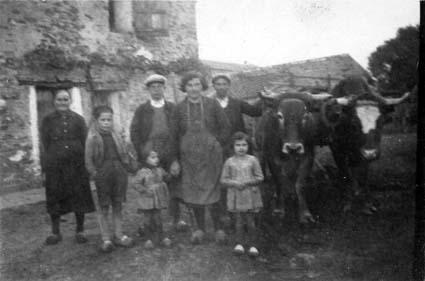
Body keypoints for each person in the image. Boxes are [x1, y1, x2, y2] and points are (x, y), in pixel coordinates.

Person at [171, 71, 231, 243]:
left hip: (212, 157)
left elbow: (225, 127)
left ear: (202, 86)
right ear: (185, 88)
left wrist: (217, 144)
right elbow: (173, 136)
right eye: (189, 85)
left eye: (197, 84)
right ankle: (200, 229)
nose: (194, 88)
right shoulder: (179, 109)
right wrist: (174, 160)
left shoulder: (212, 105)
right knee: (194, 192)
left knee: (214, 190)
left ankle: (219, 228)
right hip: (189, 159)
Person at [130, 74, 186, 232]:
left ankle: (176, 219)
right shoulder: (143, 109)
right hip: (149, 152)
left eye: (159, 87)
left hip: (169, 149)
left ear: (164, 88)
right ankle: (148, 221)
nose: (156, 90)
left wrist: (175, 157)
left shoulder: (172, 108)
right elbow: (134, 132)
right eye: (152, 87)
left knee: (173, 184)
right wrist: (142, 152)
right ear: (148, 90)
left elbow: (179, 132)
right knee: (149, 185)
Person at [40, 89, 95, 245]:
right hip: (55, 166)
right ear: (54, 102)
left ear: (70, 101)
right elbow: (45, 142)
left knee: (79, 195)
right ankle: (55, 232)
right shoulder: (47, 120)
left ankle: (80, 230)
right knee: (54, 195)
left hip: (76, 165)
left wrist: (86, 163)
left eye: (65, 99)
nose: (62, 102)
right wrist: (47, 164)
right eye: (59, 99)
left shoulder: (78, 119)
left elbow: (85, 142)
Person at [211, 74, 263, 229]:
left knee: (244, 178)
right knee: (223, 179)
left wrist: (265, 98)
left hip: (239, 148)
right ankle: (226, 214)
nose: (221, 87)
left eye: (224, 84)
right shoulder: (209, 104)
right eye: (218, 84)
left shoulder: (237, 103)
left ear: (229, 86)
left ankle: (248, 213)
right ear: (214, 86)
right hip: (218, 148)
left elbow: (256, 111)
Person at [85, 106, 134, 252]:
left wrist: (126, 166)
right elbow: (88, 160)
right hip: (103, 174)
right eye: (103, 120)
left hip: (118, 173)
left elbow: (124, 153)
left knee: (117, 204)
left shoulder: (116, 135)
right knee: (104, 206)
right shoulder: (92, 137)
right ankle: (106, 238)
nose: (106, 123)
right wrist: (95, 174)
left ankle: (119, 235)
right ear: (96, 120)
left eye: (109, 120)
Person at [220, 132, 264, 257]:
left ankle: (253, 245)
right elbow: (223, 180)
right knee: (238, 221)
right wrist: (234, 183)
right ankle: (239, 243)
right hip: (236, 195)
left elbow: (260, 177)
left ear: (248, 146)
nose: (241, 148)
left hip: (250, 195)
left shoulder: (253, 160)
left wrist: (248, 182)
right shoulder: (229, 162)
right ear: (233, 147)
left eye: (244, 145)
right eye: (238, 145)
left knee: (250, 222)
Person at [130, 148, 172, 249]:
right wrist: (144, 190)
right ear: (145, 160)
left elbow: (167, 177)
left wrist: (171, 175)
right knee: (147, 219)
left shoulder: (160, 170)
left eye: (157, 157)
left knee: (158, 218)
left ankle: (161, 237)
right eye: (153, 157)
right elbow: (135, 183)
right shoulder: (142, 172)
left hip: (158, 200)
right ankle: (148, 239)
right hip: (147, 200)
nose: (156, 159)